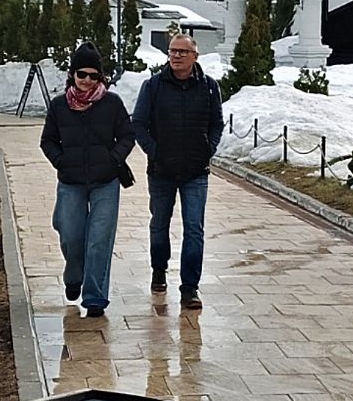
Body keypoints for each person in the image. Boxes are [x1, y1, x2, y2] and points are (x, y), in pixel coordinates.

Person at [40, 41, 135, 317]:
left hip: (105, 181)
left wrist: (113, 158)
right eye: (82, 74)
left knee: (99, 239)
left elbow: (127, 135)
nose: (87, 80)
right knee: (71, 235)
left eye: (94, 75)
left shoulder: (112, 103)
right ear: (73, 74)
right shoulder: (59, 106)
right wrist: (62, 161)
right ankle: (73, 275)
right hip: (71, 182)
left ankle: (95, 297)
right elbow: (48, 141)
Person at [132, 33, 224, 310]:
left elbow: (216, 123)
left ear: (195, 56)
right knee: (160, 224)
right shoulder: (153, 86)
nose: (176, 56)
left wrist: (208, 148)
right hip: (161, 171)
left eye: (183, 52)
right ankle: (159, 269)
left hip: (196, 171)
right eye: (173, 51)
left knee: (194, 229)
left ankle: (190, 288)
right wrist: (155, 151)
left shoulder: (209, 87)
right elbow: (138, 124)